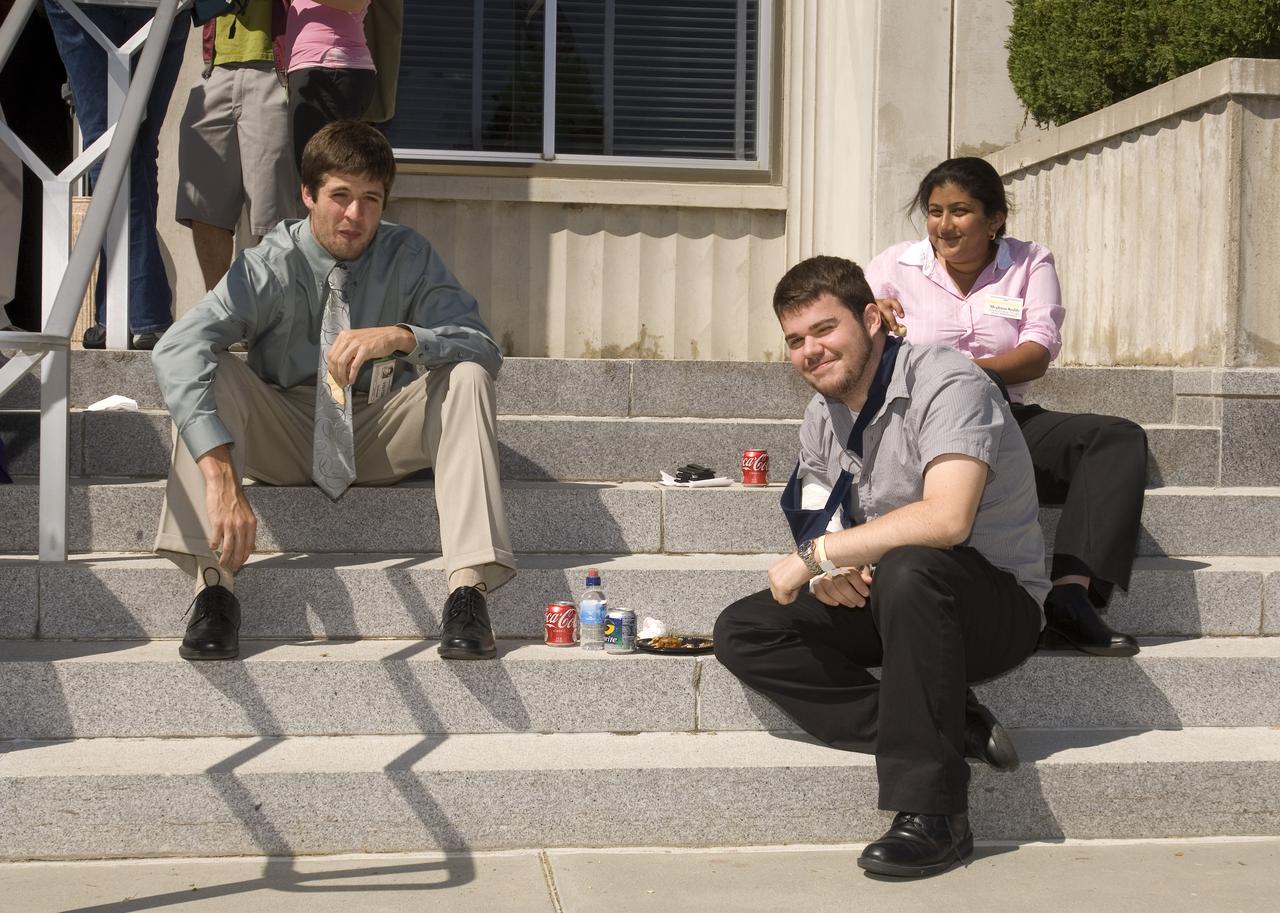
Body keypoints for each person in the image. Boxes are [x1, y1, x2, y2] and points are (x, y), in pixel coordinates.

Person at [714, 255, 1046, 878]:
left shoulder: (949, 382)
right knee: (745, 628)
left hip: (989, 606)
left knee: (911, 566)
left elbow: (947, 520)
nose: (810, 350)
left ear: (871, 320)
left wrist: (819, 556)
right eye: (795, 340)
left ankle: (933, 815)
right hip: (896, 600)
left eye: (824, 329)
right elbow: (818, 509)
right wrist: (827, 565)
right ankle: (948, 719)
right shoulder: (823, 413)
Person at [151, 120, 515, 662]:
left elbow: (482, 346)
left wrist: (404, 336)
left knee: (464, 374)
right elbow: (176, 348)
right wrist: (222, 476)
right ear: (307, 195)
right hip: (285, 426)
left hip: (378, 424)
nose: (355, 215)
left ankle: (468, 590)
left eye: (371, 199)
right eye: (340, 196)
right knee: (214, 370)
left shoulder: (409, 255)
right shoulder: (268, 262)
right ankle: (213, 590)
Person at [865, 156, 1143, 658]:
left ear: (995, 220)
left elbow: (1037, 351)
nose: (943, 226)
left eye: (960, 211)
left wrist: (964, 376)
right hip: (919, 428)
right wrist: (869, 312)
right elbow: (841, 331)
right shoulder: (894, 266)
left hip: (1003, 420)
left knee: (1116, 437)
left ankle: (1070, 597)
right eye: (934, 211)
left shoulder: (1030, 261)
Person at [43, 0, 188, 349]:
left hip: (98, 6)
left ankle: (136, 315)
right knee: (124, 152)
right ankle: (131, 314)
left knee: (117, 150)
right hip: (150, 7)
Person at [176, 0, 301, 291]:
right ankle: (221, 311)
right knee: (203, 206)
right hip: (215, 69)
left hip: (274, 68)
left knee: (272, 212)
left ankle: (269, 314)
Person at [285, 0, 377, 169]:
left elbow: (355, 3)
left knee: (317, 168)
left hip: (331, 67)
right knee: (312, 167)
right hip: (318, 67)